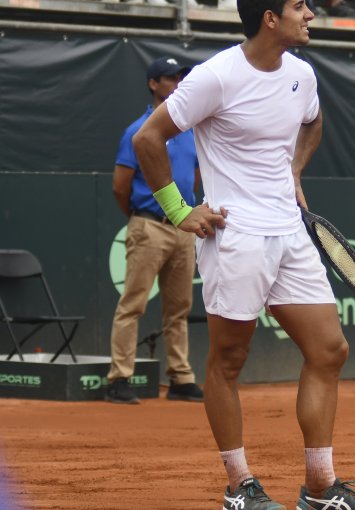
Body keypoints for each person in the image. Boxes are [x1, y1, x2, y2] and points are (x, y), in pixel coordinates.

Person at [131, 1, 355, 509]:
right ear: (269, 17)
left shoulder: (302, 74)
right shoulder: (216, 77)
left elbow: (313, 123)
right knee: (228, 360)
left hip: (289, 232)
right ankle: (238, 487)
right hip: (237, 236)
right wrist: (180, 210)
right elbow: (149, 138)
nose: (311, 14)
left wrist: (294, 172)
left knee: (329, 350)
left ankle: (319, 489)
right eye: (299, 6)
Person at [106, 57, 204, 405]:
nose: (177, 83)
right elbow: (121, 186)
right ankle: (119, 377)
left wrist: (184, 216)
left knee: (179, 308)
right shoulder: (137, 130)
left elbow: (192, 180)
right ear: (153, 84)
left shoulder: (191, 133)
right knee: (133, 304)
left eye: (180, 77)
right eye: (169, 78)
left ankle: (180, 378)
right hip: (148, 226)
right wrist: (142, 218)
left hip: (183, 229)